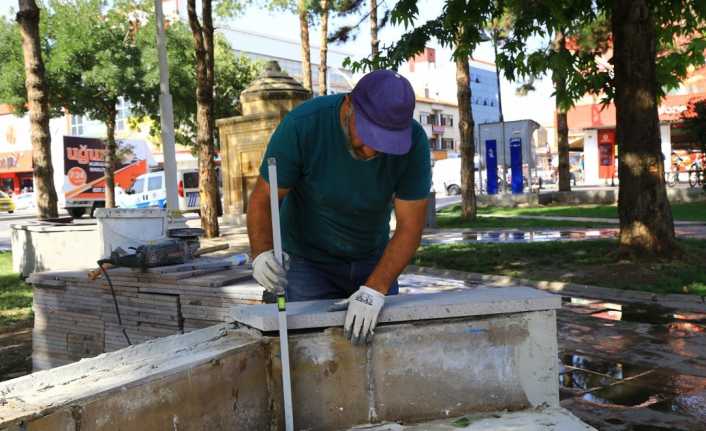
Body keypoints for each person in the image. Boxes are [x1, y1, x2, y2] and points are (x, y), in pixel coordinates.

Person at [247, 69, 431, 345]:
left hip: (372, 257)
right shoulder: (304, 125)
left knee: (379, 345)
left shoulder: (413, 144)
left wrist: (375, 288)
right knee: (310, 346)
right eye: (369, 135)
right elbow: (263, 200)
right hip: (306, 260)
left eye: (384, 143)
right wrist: (261, 253)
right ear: (348, 106)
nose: (371, 150)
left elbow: (410, 226)